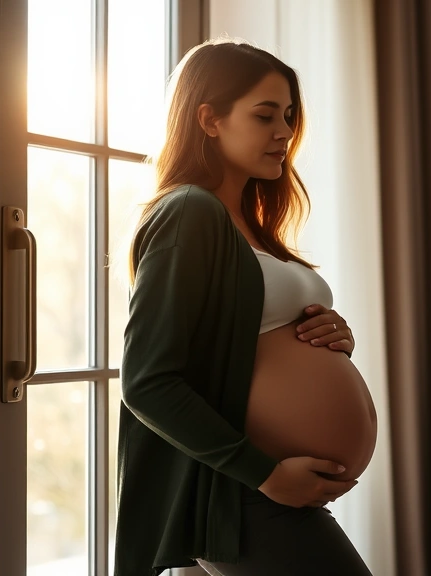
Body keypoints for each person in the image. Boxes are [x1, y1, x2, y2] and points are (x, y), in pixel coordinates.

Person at [116, 37, 378, 576]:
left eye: (287, 115)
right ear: (209, 119)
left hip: (258, 488)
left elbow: (243, 339)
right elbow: (148, 381)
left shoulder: (248, 226)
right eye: (264, 116)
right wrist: (264, 474)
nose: (284, 132)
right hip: (239, 489)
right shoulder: (189, 212)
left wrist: (332, 338)